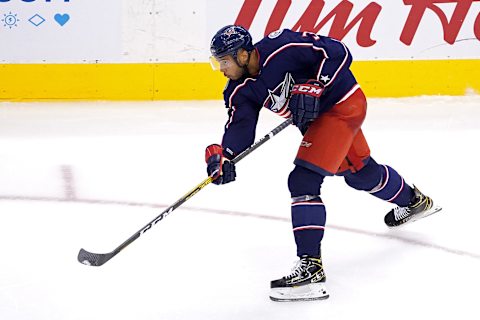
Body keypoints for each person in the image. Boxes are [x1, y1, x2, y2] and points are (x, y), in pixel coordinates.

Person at [204, 25, 441, 302]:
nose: (220, 68)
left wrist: (318, 82)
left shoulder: (284, 46)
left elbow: (338, 51)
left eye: (223, 61)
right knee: (360, 174)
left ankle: (310, 268)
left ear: (243, 55)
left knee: (303, 180)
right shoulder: (238, 90)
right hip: (318, 124)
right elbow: (241, 126)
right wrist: (227, 154)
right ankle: (414, 201)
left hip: (343, 103)